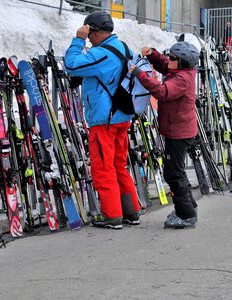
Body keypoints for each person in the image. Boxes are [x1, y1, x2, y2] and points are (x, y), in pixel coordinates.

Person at [64, 11, 141, 229]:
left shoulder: (102, 53)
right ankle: (131, 211)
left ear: (96, 32)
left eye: (89, 35)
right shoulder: (124, 48)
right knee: (118, 165)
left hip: (104, 119)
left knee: (103, 167)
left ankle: (112, 215)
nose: (88, 39)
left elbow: (71, 64)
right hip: (121, 116)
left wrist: (78, 39)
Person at [129, 41, 199, 229]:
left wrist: (140, 75)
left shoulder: (182, 79)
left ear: (183, 63)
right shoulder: (178, 70)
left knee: (173, 173)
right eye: (170, 55)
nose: (170, 59)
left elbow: (162, 91)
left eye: (174, 58)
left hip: (179, 132)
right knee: (177, 171)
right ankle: (189, 207)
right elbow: (164, 65)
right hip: (177, 129)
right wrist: (152, 54)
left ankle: (186, 215)